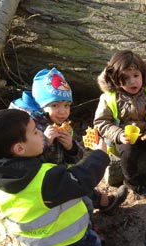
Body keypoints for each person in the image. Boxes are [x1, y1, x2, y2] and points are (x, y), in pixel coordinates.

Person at [0, 109, 113, 246]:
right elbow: (81, 179)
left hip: (30, 237)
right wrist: (100, 155)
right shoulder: (44, 179)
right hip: (61, 234)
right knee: (92, 242)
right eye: (35, 132)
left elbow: (30, 164)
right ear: (20, 148)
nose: (41, 133)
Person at [10, 67, 128, 215]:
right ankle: (91, 220)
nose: (62, 111)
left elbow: (76, 156)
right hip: (44, 184)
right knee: (78, 193)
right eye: (55, 105)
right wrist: (46, 142)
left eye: (66, 105)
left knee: (76, 182)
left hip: (62, 174)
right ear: (41, 105)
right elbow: (27, 160)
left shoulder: (60, 124)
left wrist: (70, 147)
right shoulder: (31, 127)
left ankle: (104, 202)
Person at [95, 50, 146, 196]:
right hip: (125, 136)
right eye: (125, 78)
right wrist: (118, 134)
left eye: (136, 76)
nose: (132, 81)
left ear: (142, 74)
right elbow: (101, 122)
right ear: (115, 79)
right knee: (128, 153)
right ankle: (133, 181)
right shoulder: (109, 98)